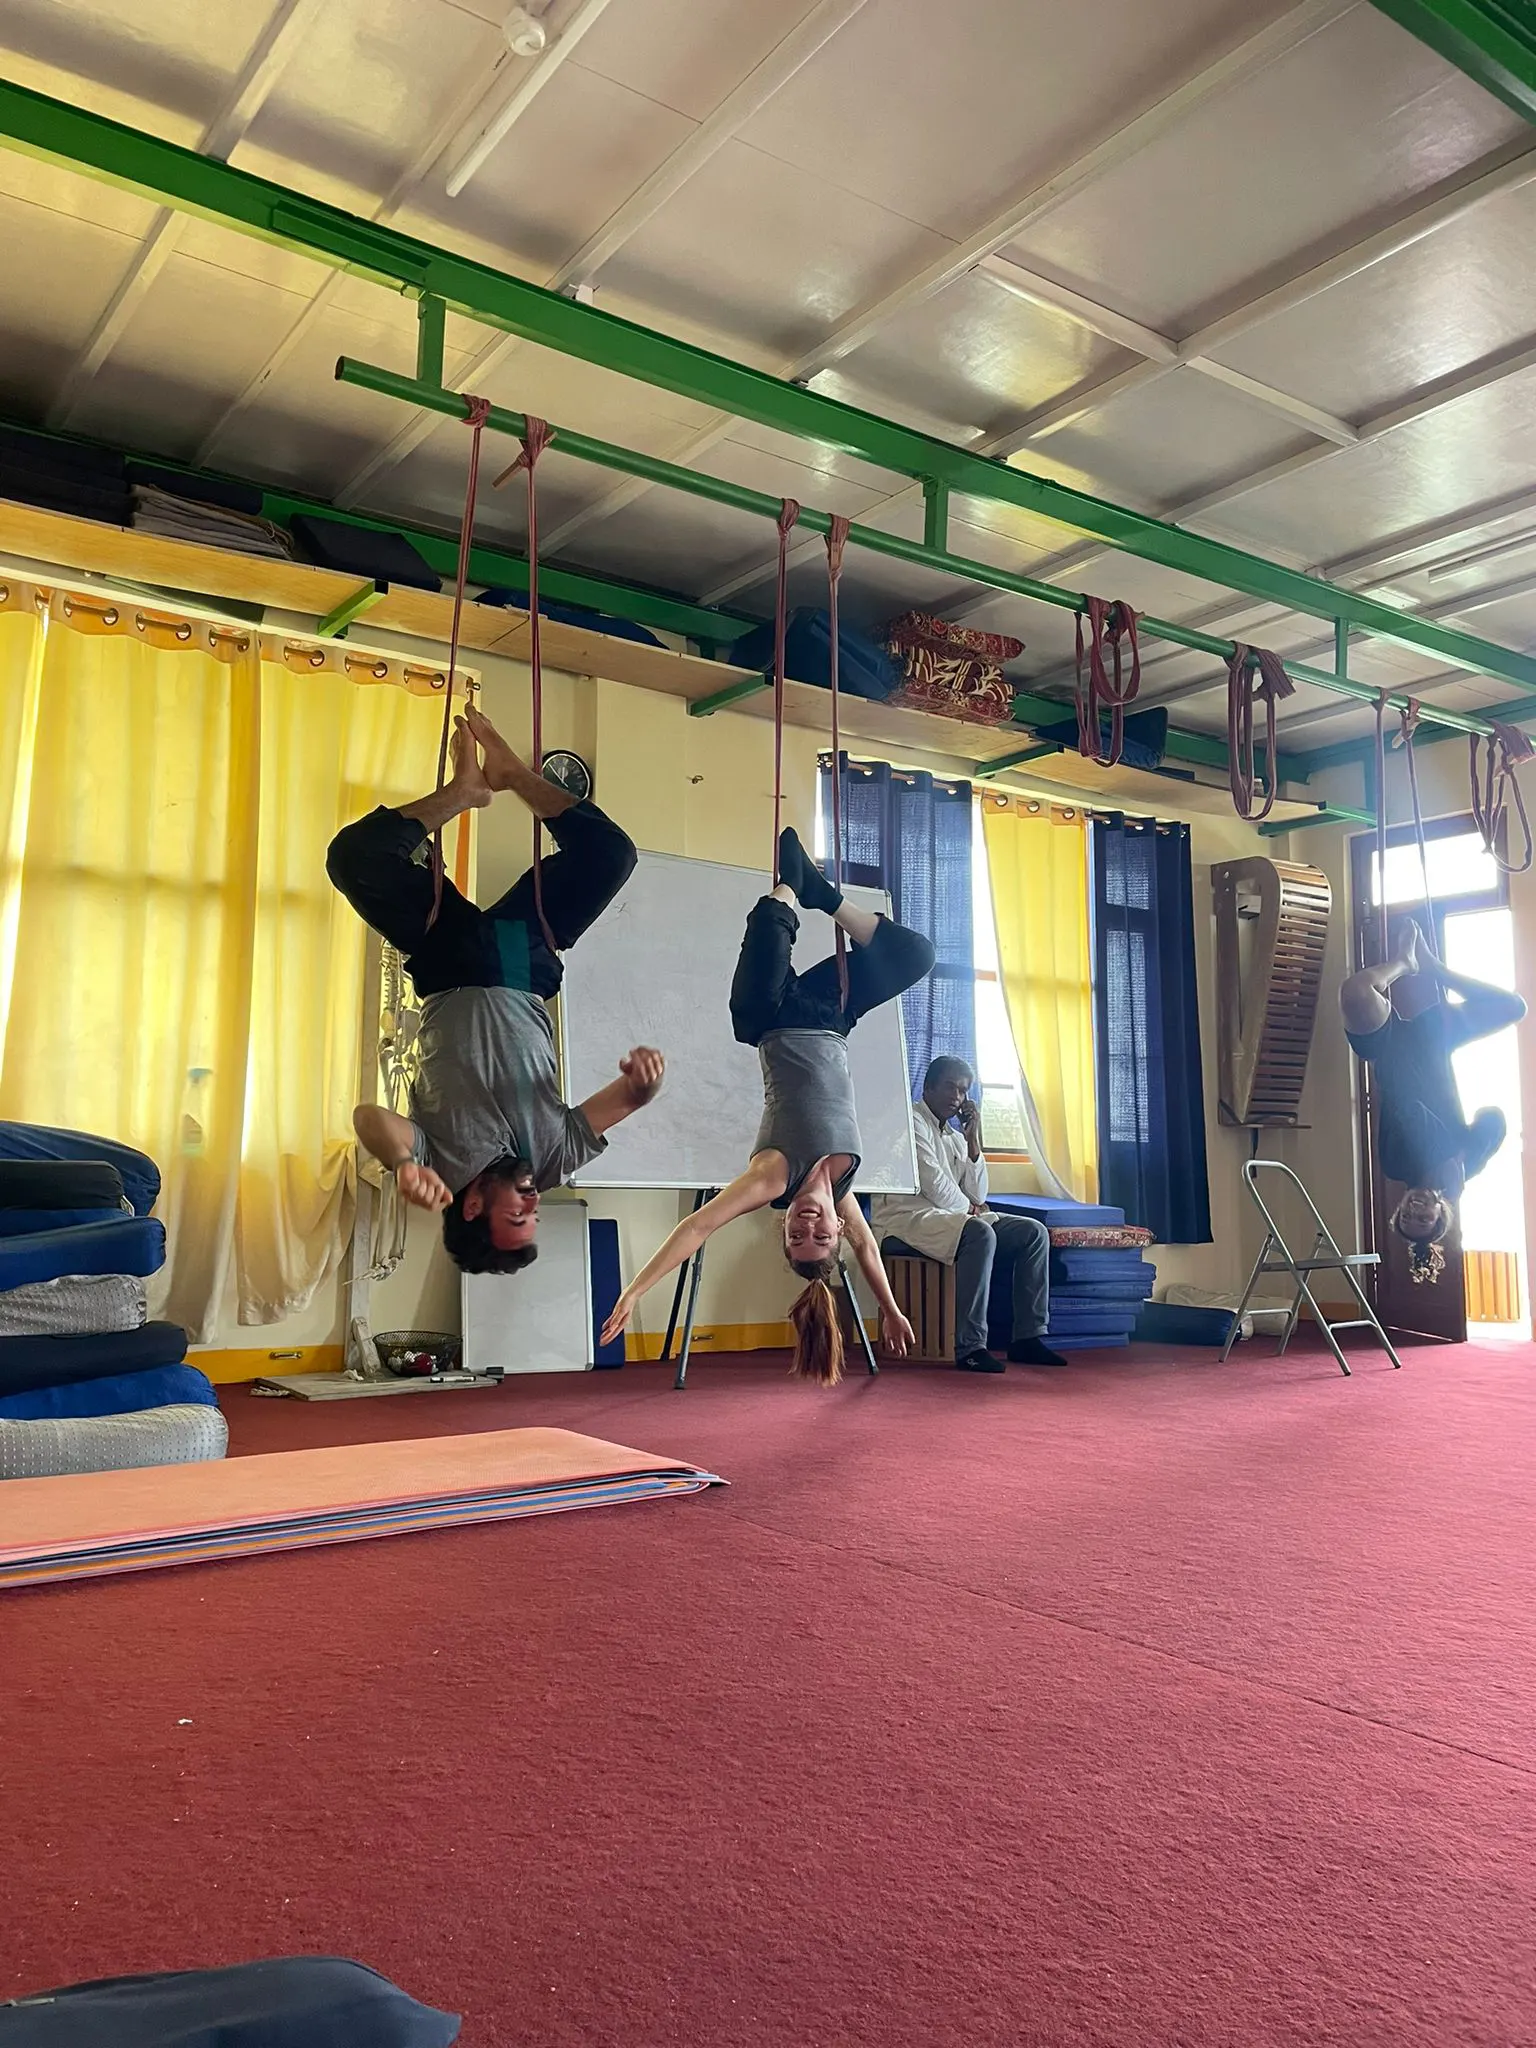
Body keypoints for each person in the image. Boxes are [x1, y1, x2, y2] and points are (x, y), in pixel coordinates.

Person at [327, 703, 664, 1274]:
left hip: (448, 960)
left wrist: (405, 1163)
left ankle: (463, 794)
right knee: (611, 856)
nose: (534, 1203)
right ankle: (510, 777)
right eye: (533, 1216)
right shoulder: (552, 1161)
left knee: (354, 858)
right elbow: (623, 1102)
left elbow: (367, 1119)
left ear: (473, 1205)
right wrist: (643, 1085)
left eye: (518, 1215)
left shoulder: (439, 1162)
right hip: (524, 963)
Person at [599, 828, 935, 1383]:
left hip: (770, 1014)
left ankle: (790, 888)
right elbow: (869, 1252)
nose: (809, 1226)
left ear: (782, 1231)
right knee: (914, 954)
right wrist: (893, 1311)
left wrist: (635, 1290)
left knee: (772, 918)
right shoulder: (846, 1188)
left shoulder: (773, 1179)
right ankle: (822, 893)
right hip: (832, 1017)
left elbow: (697, 1229)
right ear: (835, 1227)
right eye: (822, 1235)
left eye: (796, 1236)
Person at [1340, 916, 1525, 1283]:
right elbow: (1494, 1118)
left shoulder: (1396, 1165)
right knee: (1513, 1007)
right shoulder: (1468, 1166)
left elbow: (1407, 1107)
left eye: (1407, 1216)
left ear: (1400, 1208)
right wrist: (1470, 1155)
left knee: (1356, 991)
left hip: (1387, 1046)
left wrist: (1445, 1155)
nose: (1415, 1211)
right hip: (1433, 1044)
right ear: (1443, 1211)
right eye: (1424, 1218)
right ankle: (1435, 969)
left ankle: (1404, 964)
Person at [872, 1056, 1067, 1374]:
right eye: (950, 1087)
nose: (956, 1097)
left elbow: (978, 1193)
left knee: (1033, 1232)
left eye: (963, 1091)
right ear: (928, 1086)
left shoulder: (952, 1134)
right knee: (980, 1232)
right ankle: (971, 1346)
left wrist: (973, 1137)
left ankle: (1027, 1338)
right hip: (903, 1220)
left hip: (947, 1217)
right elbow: (934, 1184)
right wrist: (971, 1211)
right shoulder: (909, 1124)